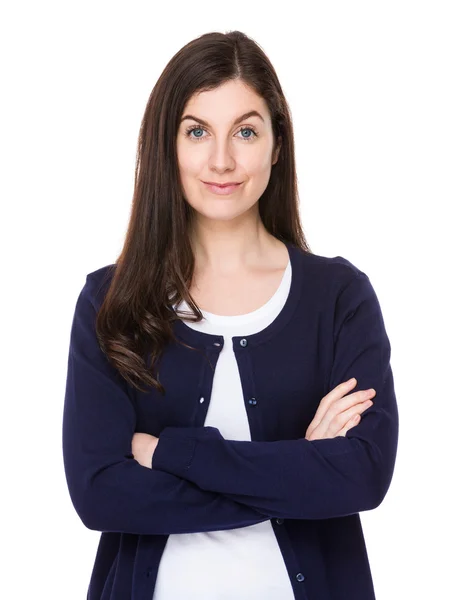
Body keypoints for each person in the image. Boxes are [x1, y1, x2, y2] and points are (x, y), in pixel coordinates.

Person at [62, 30, 398, 600]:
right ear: (166, 144)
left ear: (276, 144)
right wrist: (301, 470)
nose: (221, 160)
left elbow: (362, 476)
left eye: (245, 131)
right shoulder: (109, 302)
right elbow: (100, 495)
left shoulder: (339, 296)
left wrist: (171, 454)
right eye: (197, 132)